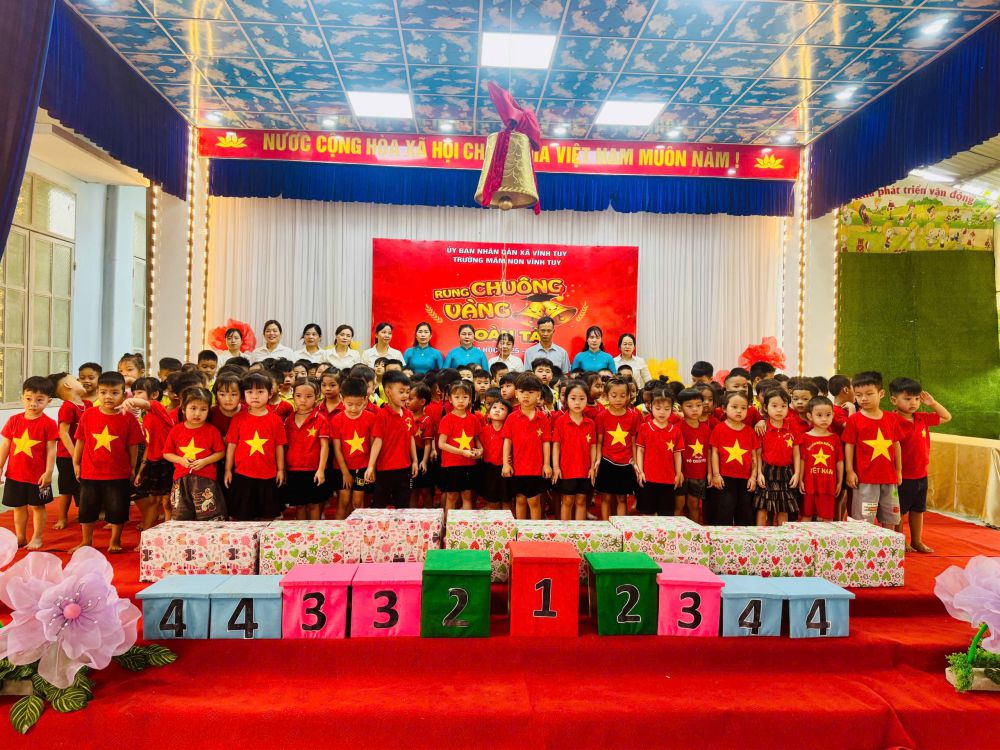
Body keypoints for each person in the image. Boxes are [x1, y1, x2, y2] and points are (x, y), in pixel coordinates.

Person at [72, 371, 144, 553]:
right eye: (103, 392)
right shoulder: (88, 415)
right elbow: (80, 441)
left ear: (124, 395)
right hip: (91, 472)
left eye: (114, 393)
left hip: (118, 473)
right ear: (97, 393)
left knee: (118, 508)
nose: (108, 397)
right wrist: (76, 463)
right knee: (87, 509)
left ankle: (115, 540)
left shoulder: (128, 418)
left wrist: (132, 468)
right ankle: (86, 541)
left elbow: (133, 446)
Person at [889, 378, 951, 552]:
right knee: (900, 510)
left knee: (918, 509)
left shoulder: (921, 418)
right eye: (908, 399)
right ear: (894, 400)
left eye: (917, 398)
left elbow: (946, 416)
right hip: (902, 475)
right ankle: (900, 540)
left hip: (921, 474)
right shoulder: (891, 420)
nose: (913, 403)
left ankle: (917, 540)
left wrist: (933, 403)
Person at [0, 376, 58, 549]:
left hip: (38, 477)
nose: (33, 404)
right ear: (22, 398)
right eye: (28, 399)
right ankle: (20, 537)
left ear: (49, 401)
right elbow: (5, 445)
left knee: (38, 507)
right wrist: (0, 466)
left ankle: (37, 537)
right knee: (18, 507)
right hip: (15, 474)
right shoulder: (14, 420)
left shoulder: (48, 423)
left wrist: (48, 472)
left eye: (39, 400)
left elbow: (51, 449)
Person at [224, 371, 287, 520]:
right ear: (244, 394)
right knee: (243, 516)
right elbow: (232, 446)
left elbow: (279, 446)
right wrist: (227, 470)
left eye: (260, 391)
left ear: (270, 393)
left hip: (268, 475)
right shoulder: (238, 418)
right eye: (249, 392)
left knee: (268, 516)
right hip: (243, 474)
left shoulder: (276, 420)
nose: (255, 396)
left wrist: (280, 470)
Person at [842, 371, 902, 528]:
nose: (863, 398)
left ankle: (888, 543)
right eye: (859, 395)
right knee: (864, 519)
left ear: (881, 394)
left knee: (890, 516)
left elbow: (896, 445)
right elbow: (849, 445)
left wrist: (898, 471)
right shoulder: (854, 419)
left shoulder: (891, 418)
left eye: (869, 394)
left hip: (889, 478)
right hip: (865, 479)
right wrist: (849, 471)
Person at [162, 387, 227, 521]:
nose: (197, 413)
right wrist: (180, 460)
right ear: (183, 409)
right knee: (181, 515)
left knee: (208, 515)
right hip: (181, 479)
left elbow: (220, 452)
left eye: (203, 409)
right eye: (193, 408)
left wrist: (205, 461)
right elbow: (167, 453)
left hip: (206, 480)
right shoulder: (176, 430)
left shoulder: (212, 430)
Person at [124, 376, 175, 531]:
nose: (135, 396)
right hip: (153, 462)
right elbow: (148, 445)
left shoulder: (158, 408)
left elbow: (145, 403)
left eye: (139, 392)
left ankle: (168, 532)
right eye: (133, 393)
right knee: (153, 501)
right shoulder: (146, 416)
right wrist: (141, 470)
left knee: (167, 502)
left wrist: (129, 401)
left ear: (154, 395)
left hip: (167, 462)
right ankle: (147, 532)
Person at [502, 373, 551, 520]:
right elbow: (507, 442)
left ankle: (534, 530)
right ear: (516, 393)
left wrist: (547, 464)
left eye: (530, 392)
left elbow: (546, 442)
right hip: (517, 467)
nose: (526, 396)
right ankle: (520, 529)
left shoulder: (543, 417)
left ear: (538, 395)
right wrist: (505, 464)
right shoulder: (511, 418)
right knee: (520, 499)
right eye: (522, 391)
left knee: (534, 501)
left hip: (536, 468)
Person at [366, 370, 418, 508]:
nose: (405, 395)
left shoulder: (408, 415)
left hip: (405, 469)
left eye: (407, 392)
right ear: (388, 391)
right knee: (379, 506)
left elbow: (411, 438)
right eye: (401, 392)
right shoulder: (382, 415)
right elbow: (377, 442)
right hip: (385, 469)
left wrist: (415, 460)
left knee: (403, 506)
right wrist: (371, 466)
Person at [707, 390, 759, 526]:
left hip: (745, 479)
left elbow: (754, 457)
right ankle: (722, 539)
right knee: (724, 511)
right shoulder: (719, 429)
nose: (739, 411)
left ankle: (744, 539)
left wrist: (753, 477)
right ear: (724, 408)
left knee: (745, 512)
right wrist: (716, 475)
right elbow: (714, 453)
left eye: (743, 408)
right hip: (724, 478)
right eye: (734, 407)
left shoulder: (750, 431)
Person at [594, 376, 642, 520]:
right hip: (607, 461)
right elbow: (599, 442)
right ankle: (605, 526)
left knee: (622, 498)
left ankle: (621, 526)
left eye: (622, 395)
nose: (618, 399)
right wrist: (597, 461)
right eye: (614, 396)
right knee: (606, 498)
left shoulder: (633, 417)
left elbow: (633, 441)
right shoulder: (601, 416)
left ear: (628, 396)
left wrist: (636, 463)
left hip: (626, 463)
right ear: (606, 396)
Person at [49, 372, 91, 531]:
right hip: (67, 456)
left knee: (85, 486)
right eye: (76, 379)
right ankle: (62, 517)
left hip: (85, 454)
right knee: (67, 489)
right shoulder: (68, 407)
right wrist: (75, 455)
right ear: (67, 385)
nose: (81, 381)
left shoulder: (87, 404)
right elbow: (63, 432)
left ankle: (85, 513)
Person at [330, 377, 377, 518]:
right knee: (343, 501)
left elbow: (373, 445)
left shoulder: (371, 418)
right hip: (342, 467)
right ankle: (339, 530)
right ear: (342, 399)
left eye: (358, 404)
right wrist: (345, 472)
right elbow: (337, 449)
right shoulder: (337, 420)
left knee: (357, 501)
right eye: (349, 404)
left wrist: (372, 467)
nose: (354, 409)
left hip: (362, 467)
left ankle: (356, 529)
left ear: (365, 400)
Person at [753, 389, 801, 527]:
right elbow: (757, 454)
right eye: (774, 406)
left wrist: (797, 473)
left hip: (786, 472)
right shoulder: (762, 427)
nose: (779, 410)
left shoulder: (792, 425)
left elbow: (796, 452)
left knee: (783, 508)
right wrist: (759, 473)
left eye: (783, 406)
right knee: (762, 507)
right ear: (765, 407)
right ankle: (760, 536)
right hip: (767, 471)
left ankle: (782, 536)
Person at [283, 378, 329, 520]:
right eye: (298, 396)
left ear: (317, 397)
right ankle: (300, 533)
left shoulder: (320, 419)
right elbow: (284, 448)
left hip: (314, 470)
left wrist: (321, 470)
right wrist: (283, 469)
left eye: (308, 396)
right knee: (300, 506)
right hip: (294, 470)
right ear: (293, 396)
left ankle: (316, 532)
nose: (303, 400)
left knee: (314, 505)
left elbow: (324, 446)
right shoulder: (288, 421)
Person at [551, 381, 597, 521]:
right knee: (567, 501)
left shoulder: (590, 423)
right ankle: (566, 531)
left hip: (584, 470)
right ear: (566, 399)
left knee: (581, 501)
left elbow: (593, 446)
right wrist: (556, 467)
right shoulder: (560, 421)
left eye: (582, 398)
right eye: (573, 398)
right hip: (566, 470)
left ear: (587, 399)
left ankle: (579, 531)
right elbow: (556, 446)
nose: (577, 402)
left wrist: (592, 467)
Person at [635, 388, 685, 517]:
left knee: (665, 515)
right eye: (658, 408)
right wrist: (640, 471)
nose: (662, 412)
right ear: (650, 407)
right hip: (648, 478)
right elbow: (640, 450)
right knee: (646, 513)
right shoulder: (644, 427)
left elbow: (677, 454)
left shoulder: (676, 430)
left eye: (667, 409)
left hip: (668, 479)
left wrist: (678, 473)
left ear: (672, 409)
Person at [436, 381, 482, 513]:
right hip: (451, 464)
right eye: (457, 397)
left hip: (469, 463)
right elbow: (441, 444)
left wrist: (481, 450)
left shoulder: (474, 419)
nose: (461, 401)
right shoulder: (447, 419)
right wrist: (462, 452)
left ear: (470, 399)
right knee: (451, 496)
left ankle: (466, 524)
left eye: (465, 397)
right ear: (450, 399)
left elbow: (477, 439)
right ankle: (448, 524)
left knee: (467, 495)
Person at [799, 396, 844, 522]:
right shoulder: (805, 437)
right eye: (819, 415)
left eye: (828, 415)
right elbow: (802, 460)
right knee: (806, 516)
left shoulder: (835, 438)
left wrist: (840, 481)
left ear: (833, 415)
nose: (824, 419)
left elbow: (839, 461)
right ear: (810, 416)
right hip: (809, 484)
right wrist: (800, 479)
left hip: (828, 485)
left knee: (827, 518)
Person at [676, 387, 709, 522]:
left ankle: (695, 532)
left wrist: (710, 473)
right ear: (681, 408)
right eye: (689, 406)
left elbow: (709, 451)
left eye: (698, 405)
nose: (694, 409)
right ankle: (676, 532)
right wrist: (677, 472)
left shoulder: (706, 429)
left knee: (694, 505)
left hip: (698, 474)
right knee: (678, 505)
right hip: (681, 474)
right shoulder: (677, 427)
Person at [480, 398, 511, 511]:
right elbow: (480, 449)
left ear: (508, 415)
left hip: (505, 468)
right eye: (494, 407)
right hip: (489, 469)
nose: (497, 410)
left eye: (502, 409)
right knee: (492, 502)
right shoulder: (484, 430)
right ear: (488, 413)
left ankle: (508, 522)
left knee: (507, 502)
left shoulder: (510, 430)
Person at [408, 383, 435, 508]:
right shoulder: (406, 417)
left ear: (422, 402)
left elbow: (428, 443)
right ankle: (411, 517)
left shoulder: (427, 420)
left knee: (425, 490)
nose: (407, 401)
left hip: (422, 455)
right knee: (412, 490)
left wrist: (424, 461)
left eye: (411, 399)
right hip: (408, 456)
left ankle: (430, 516)